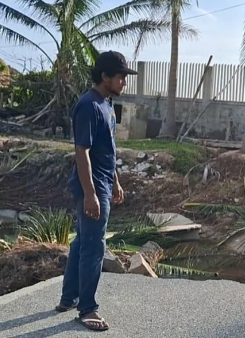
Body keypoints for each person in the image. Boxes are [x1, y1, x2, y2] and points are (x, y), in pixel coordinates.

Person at [55, 51, 136, 331]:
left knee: (81, 242)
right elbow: (82, 152)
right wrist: (91, 193)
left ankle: (69, 297)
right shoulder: (88, 105)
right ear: (105, 77)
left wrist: (115, 181)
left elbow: (107, 150)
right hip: (91, 185)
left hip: (103, 181)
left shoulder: (106, 104)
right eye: (121, 76)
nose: (124, 82)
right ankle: (87, 309)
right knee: (93, 246)